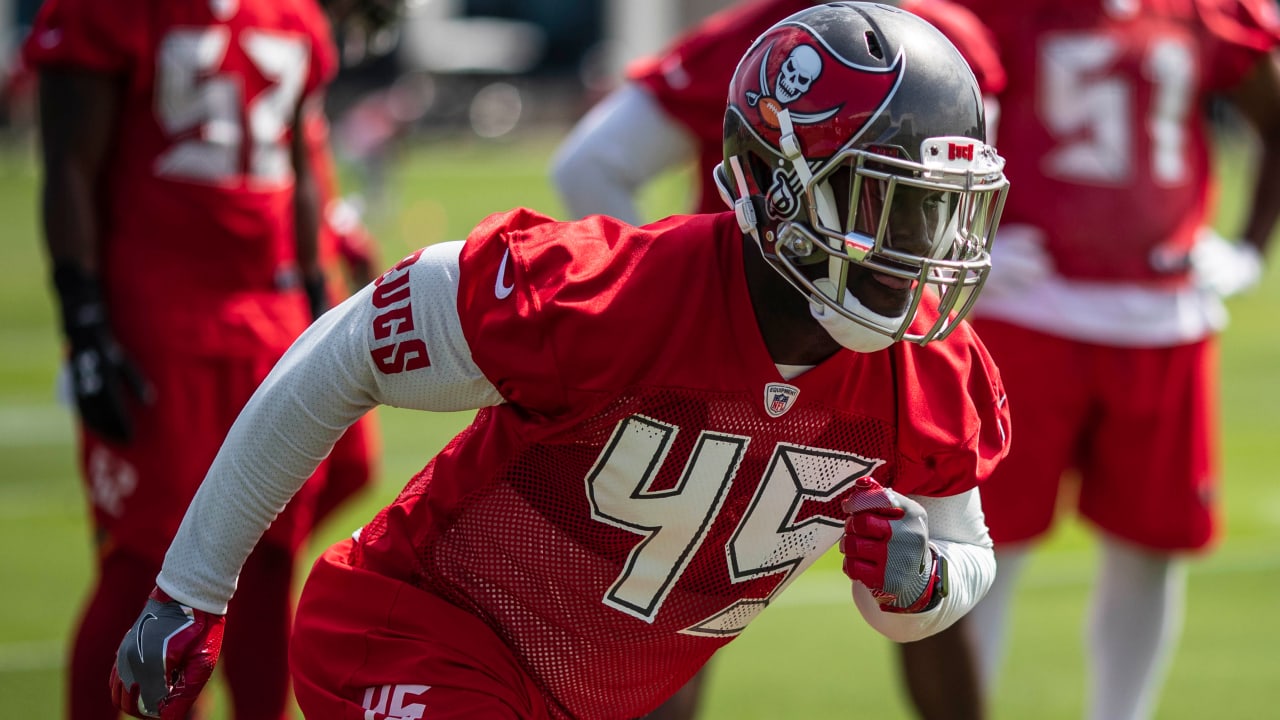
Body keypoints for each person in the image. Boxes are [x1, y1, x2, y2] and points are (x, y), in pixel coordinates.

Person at [110, 4, 1012, 719]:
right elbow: (345, 350)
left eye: (938, 213)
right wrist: (190, 588)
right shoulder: (608, 294)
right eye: (887, 205)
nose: (920, 247)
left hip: (583, 698)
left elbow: (962, 550)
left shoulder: (927, 366)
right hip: (420, 637)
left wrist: (921, 580)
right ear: (778, 189)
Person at [551, 2, 1006, 718]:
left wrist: (666, 313)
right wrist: (655, 301)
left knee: (670, 599)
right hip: (839, 353)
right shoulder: (803, 39)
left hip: (764, 351)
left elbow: (591, 165)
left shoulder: (776, 31)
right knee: (665, 613)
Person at [21, 0, 386, 717]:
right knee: (146, 569)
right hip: (159, 322)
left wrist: (321, 302)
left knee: (270, 557)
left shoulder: (291, 13)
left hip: (272, 317)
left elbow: (300, 162)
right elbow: (67, 160)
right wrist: (85, 320)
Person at [938, 1, 1280, 718]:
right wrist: (964, 243)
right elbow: (928, 117)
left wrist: (1248, 247)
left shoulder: (1207, 10)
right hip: (1028, 311)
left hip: (1163, 317)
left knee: (1151, 549)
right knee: (981, 545)